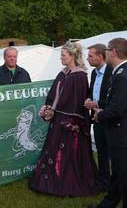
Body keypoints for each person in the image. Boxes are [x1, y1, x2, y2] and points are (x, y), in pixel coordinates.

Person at [29, 41, 98, 197]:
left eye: (63, 55)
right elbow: (55, 94)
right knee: (54, 151)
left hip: (70, 123)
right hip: (58, 119)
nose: (61, 58)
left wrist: (70, 120)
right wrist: (48, 108)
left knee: (67, 154)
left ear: (72, 56)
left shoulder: (79, 76)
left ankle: (68, 183)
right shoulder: (63, 73)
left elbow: (77, 102)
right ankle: (50, 180)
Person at [88, 38, 127, 208]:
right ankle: (108, 204)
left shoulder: (124, 75)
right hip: (124, 135)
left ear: (113, 52)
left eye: (107, 50)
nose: (105, 53)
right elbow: (116, 102)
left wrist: (100, 115)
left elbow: (117, 109)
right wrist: (101, 107)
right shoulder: (122, 72)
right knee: (119, 175)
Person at [84, 44, 112, 192]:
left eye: (90, 55)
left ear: (100, 56)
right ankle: (104, 180)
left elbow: (114, 98)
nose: (87, 58)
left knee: (111, 153)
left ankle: (116, 181)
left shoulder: (112, 72)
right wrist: (88, 99)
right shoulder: (94, 73)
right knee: (101, 151)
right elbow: (93, 91)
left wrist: (97, 103)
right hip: (96, 118)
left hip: (110, 118)